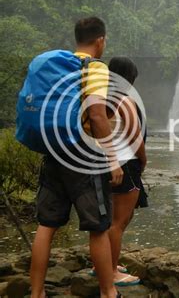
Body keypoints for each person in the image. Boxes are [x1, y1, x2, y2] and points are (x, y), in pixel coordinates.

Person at [29, 17, 123, 298]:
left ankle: (36, 293)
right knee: (98, 226)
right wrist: (113, 158)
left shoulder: (60, 68)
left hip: (54, 150)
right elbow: (96, 114)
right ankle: (109, 292)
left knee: (46, 225)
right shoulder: (95, 68)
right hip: (83, 155)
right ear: (100, 40)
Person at [105, 57, 148, 286]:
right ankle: (111, 272)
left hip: (107, 164)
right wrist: (143, 158)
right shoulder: (124, 100)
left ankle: (103, 263)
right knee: (118, 222)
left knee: (113, 219)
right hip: (126, 165)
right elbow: (134, 136)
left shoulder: (101, 99)